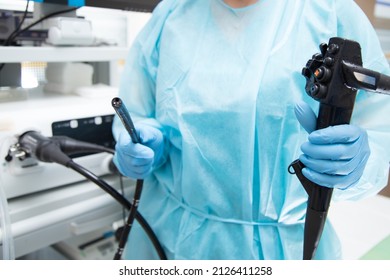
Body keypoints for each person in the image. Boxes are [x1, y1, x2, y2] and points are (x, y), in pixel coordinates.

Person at [112, 0, 390, 260]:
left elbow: (380, 128)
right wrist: (144, 141)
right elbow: (137, 109)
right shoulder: (172, 14)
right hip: (169, 238)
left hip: (288, 248)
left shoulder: (330, 11)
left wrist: (358, 161)